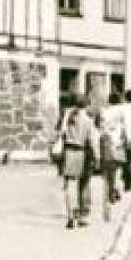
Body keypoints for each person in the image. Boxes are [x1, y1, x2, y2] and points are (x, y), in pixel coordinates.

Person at [56, 94, 98, 228]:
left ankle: (70, 217)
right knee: (84, 185)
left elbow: (60, 133)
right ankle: (81, 217)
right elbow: (92, 141)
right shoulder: (88, 120)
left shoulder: (67, 116)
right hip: (82, 152)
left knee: (70, 185)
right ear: (86, 105)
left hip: (68, 152)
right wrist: (97, 157)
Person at [99, 91, 127, 220]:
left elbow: (101, 128)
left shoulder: (104, 112)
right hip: (119, 144)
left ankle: (107, 207)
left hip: (106, 144)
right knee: (118, 170)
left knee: (106, 174)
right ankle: (116, 188)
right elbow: (125, 129)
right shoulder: (122, 112)